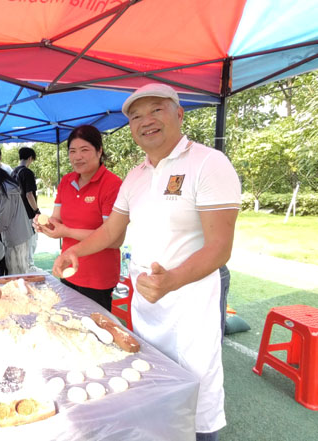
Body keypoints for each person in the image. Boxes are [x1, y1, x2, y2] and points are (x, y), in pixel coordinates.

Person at [53, 83, 241, 440]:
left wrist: (172, 280)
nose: (146, 121)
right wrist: (74, 251)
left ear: (179, 113)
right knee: (152, 385)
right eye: (136, 116)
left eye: (156, 110)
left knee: (195, 393)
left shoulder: (208, 162)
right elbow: (111, 232)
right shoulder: (137, 175)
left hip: (189, 304)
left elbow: (219, 247)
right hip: (146, 301)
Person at [34, 125, 122, 310]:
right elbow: (57, 218)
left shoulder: (112, 185)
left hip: (97, 277)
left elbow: (114, 239)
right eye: (72, 151)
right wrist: (47, 225)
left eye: (84, 150)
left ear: (99, 151)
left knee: (95, 332)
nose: (77, 156)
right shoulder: (67, 181)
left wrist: (67, 231)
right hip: (67, 269)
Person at [0, 158, 33, 275]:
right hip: (17, 235)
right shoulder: (5, 186)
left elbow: (3, 220)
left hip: (17, 237)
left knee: (18, 274)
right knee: (18, 271)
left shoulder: (5, 190)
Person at [12, 147, 39, 269]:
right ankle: (29, 267)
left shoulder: (12, 173)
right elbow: (29, 194)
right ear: (30, 158)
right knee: (31, 242)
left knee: (19, 247)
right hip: (28, 214)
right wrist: (36, 211)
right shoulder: (27, 173)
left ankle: (23, 267)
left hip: (15, 214)